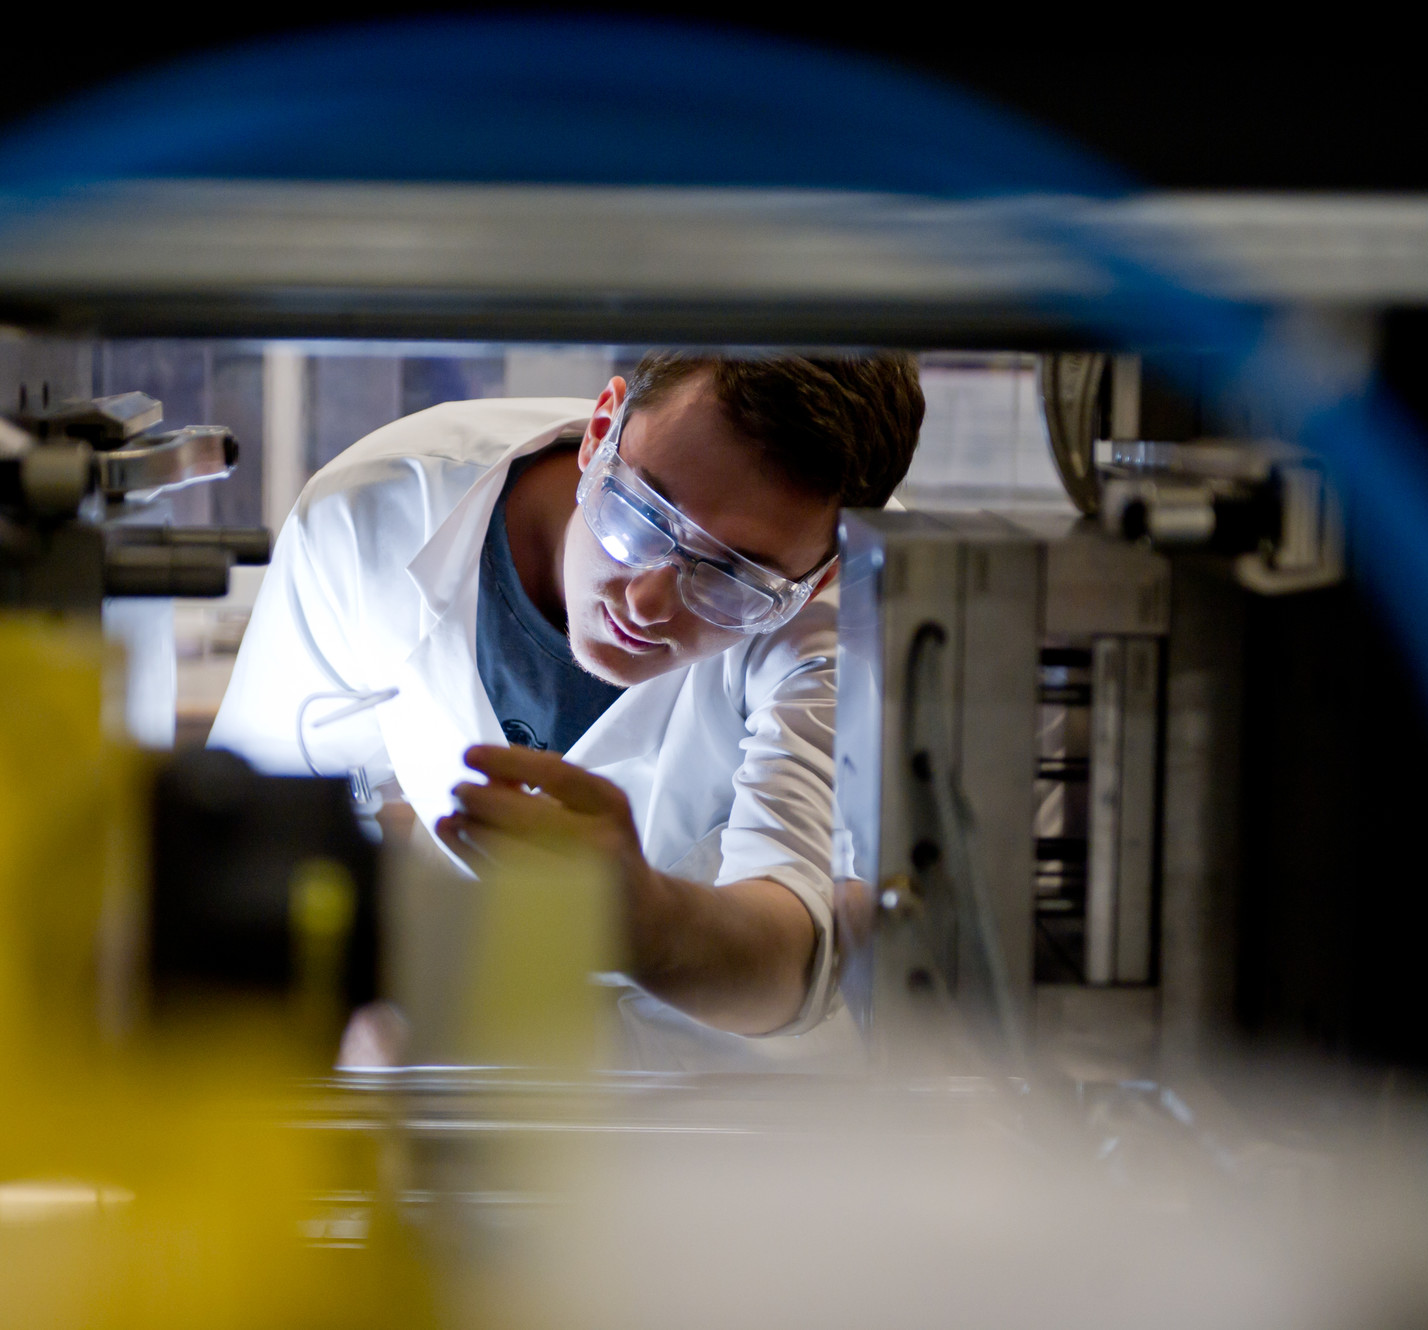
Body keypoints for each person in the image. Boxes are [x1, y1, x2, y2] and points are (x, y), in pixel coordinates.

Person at [210, 351, 923, 1053]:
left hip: (726, 1094)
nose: (646, 602)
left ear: (817, 572)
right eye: (643, 515)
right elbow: (248, 839)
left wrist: (643, 918)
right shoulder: (375, 514)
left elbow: (793, 949)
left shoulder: (858, 612)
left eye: (733, 579)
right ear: (601, 428)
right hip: (466, 1044)